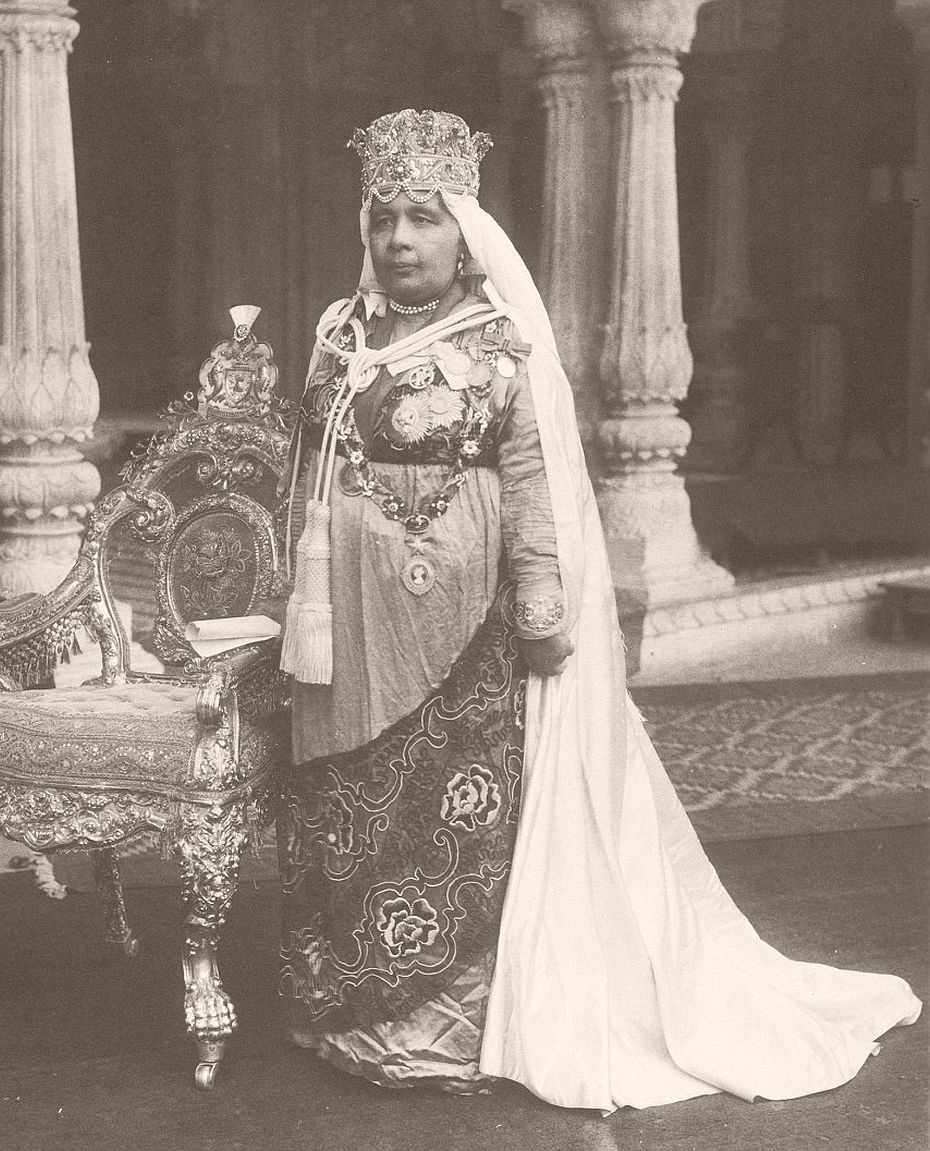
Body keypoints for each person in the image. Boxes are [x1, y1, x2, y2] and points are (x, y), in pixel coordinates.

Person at [275, 109, 921, 1113]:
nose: (399, 239)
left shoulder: (500, 349)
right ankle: (352, 1008)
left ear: (465, 232)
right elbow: (301, 474)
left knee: (446, 823)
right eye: (384, 219)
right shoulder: (335, 335)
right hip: (343, 632)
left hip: (462, 640)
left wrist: (543, 614)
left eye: (422, 219)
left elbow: (534, 490)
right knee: (347, 810)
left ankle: (444, 1025)